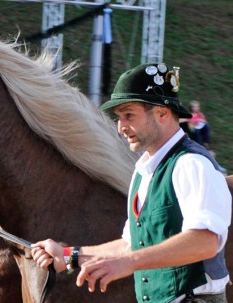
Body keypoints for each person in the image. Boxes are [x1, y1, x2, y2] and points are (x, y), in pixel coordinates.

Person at [31, 63, 231, 303]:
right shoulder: (143, 171)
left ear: (162, 113)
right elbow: (131, 245)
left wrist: (127, 263)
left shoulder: (191, 164)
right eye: (119, 117)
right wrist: (69, 256)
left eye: (129, 115)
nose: (121, 127)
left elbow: (206, 241)